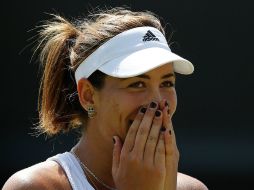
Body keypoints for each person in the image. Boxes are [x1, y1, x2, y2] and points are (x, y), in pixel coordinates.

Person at [3, 7, 208, 190]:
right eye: (137, 84)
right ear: (88, 95)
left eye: (167, 83)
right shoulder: (34, 186)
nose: (158, 101)